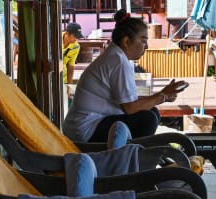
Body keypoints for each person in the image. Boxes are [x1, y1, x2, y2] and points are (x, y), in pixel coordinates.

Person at [63, 9, 188, 142]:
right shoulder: (117, 61)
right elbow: (130, 108)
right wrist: (162, 96)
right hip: (84, 130)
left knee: (152, 112)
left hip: (91, 123)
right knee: (147, 119)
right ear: (127, 41)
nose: (146, 47)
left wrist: (162, 94)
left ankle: (136, 153)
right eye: (143, 41)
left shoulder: (119, 57)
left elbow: (129, 100)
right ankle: (134, 156)